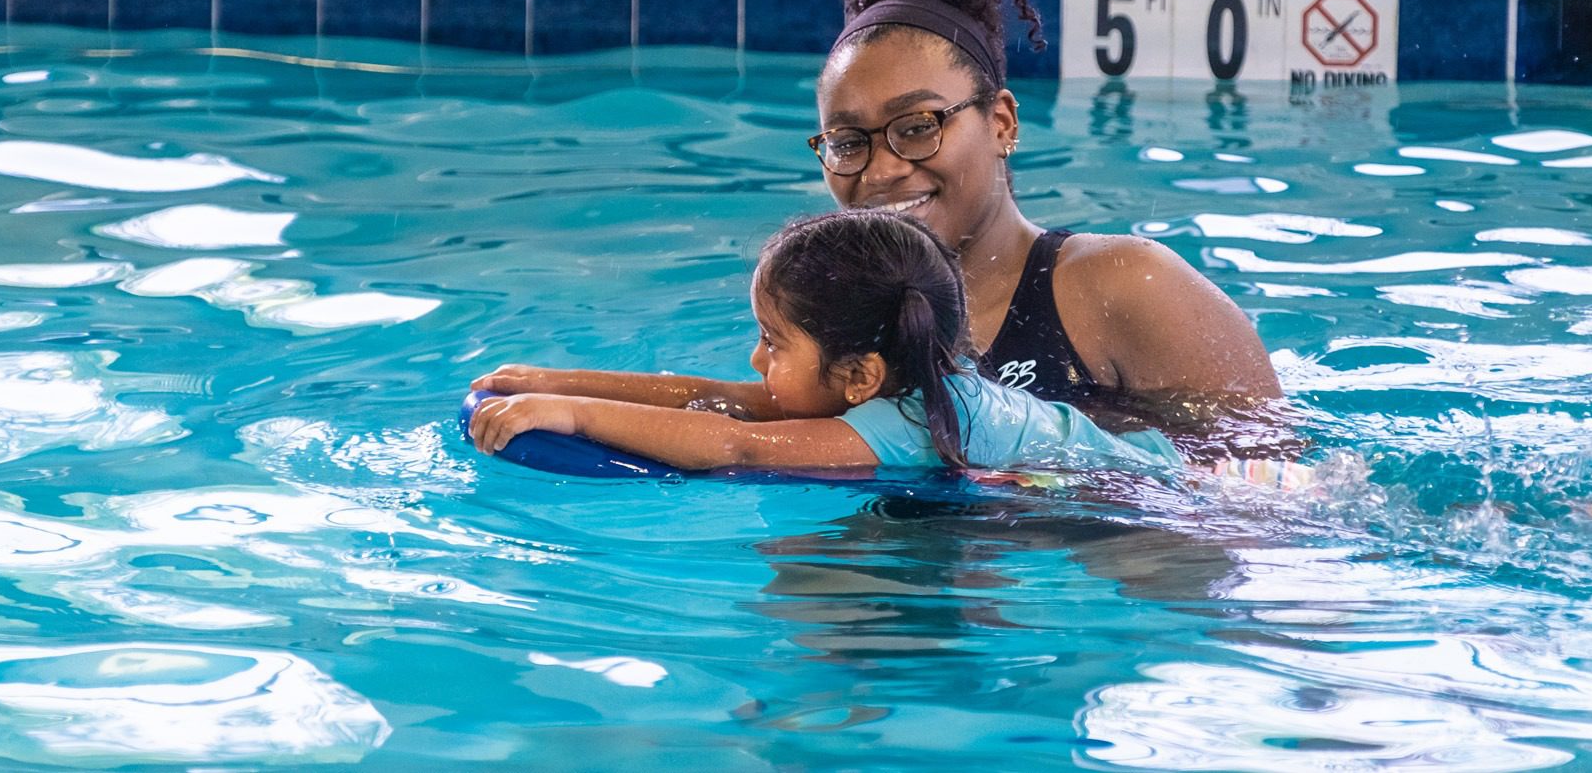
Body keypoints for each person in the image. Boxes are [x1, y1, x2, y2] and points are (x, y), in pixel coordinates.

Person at [476, 0, 1284, 446]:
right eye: (847, 141)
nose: (885, 169)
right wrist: (560, 387)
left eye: (917, 126)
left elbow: (1280, 471)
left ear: (1000, 122)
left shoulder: (1121, 285)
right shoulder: (855, 304)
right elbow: (747, 406)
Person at [468, 209, 1182, 476]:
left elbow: (734, 442)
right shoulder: (910, 389)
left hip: (1157, 499)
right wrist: (556, 382)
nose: (757, 361)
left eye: (773, 343)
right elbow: (719, 402)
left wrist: (573, 418)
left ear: (859, 375)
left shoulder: (898, 427)